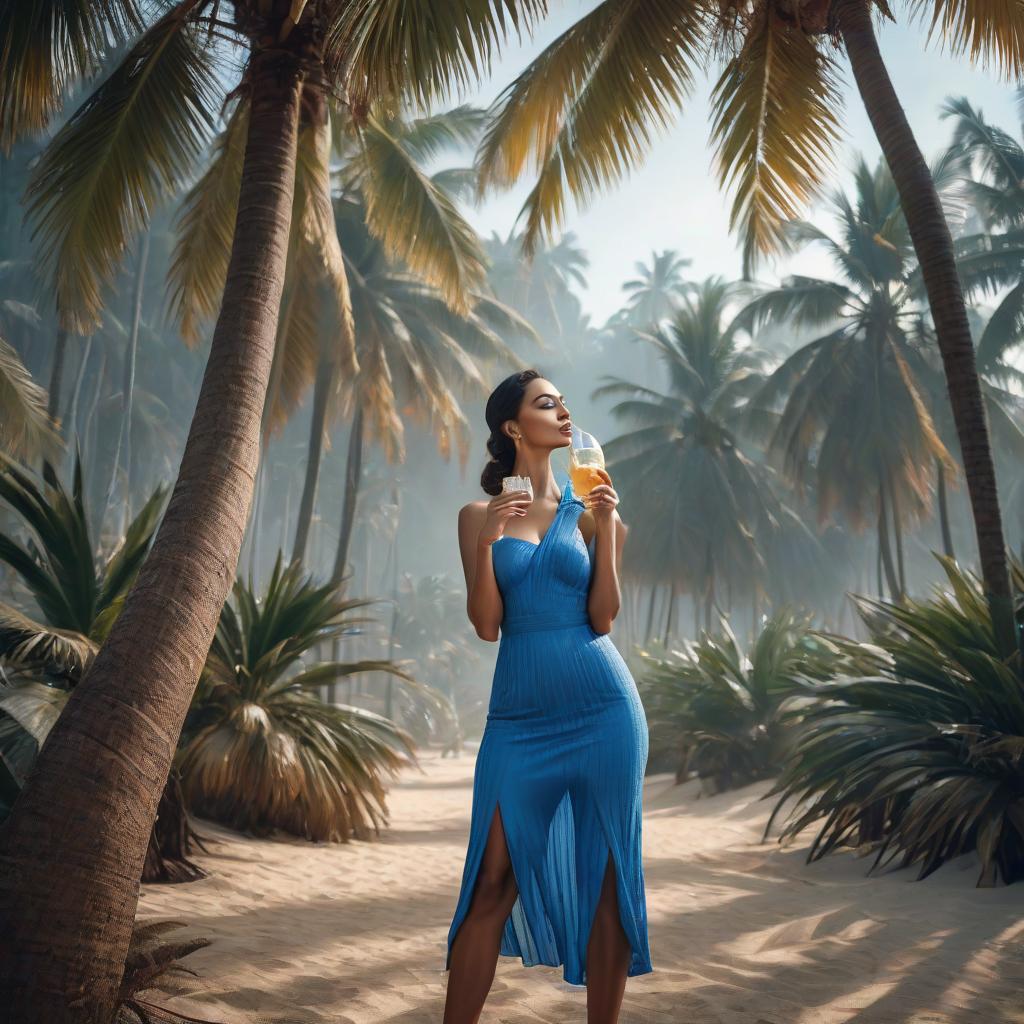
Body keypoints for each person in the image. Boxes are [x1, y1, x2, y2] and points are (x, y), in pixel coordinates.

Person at [442, 369, 653, 1024]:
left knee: (610, 882)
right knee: (492, 882)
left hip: (604, 708)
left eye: (565, 401)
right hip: (520, 718)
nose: (564, 412)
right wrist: (486, 545)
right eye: (546, 403)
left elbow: (605, 617)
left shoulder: (591, 513)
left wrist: (610, 529)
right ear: (511, 427)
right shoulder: (479, 517)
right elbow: (486, 625)